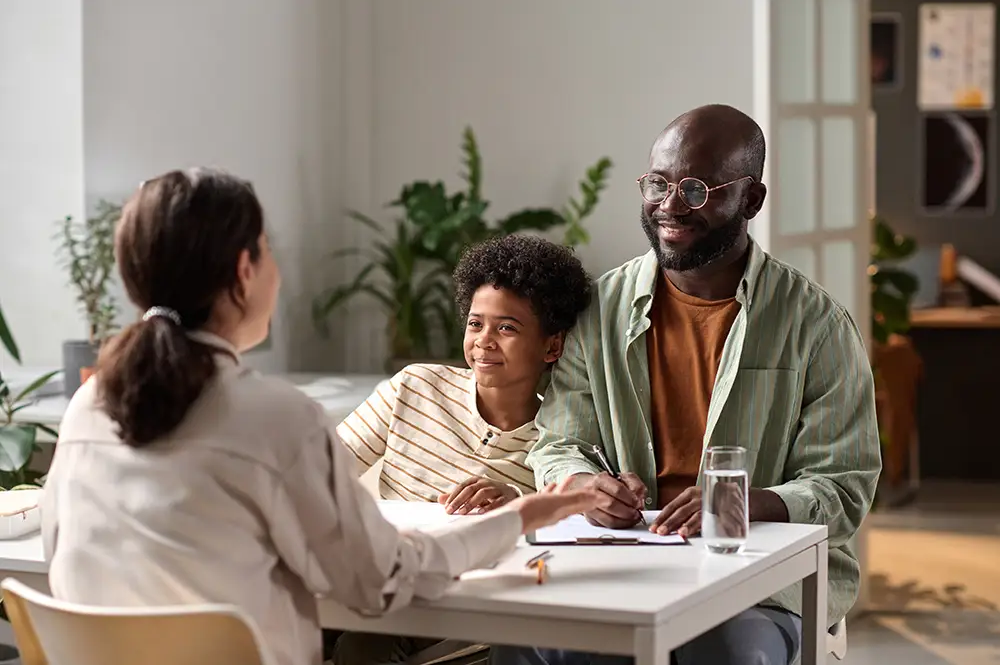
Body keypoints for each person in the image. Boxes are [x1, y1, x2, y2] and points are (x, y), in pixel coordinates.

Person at [39, 168, 599, 665]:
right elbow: (381, 580)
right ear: (243, 273)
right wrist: (521, 518)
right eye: (268, 250)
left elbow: (56, 551)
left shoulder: (90, 404)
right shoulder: (277, 416)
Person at [492, 105, 881, 665]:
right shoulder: (598, 310)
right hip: (621, 560)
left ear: (751, 200)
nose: (670, 205)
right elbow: (558, 442)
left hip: (758, 579)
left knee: (721, 652)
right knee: (527, 641)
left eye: (697, 189)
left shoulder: (816, 325)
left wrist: (737, 503)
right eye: (658, 183)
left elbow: (844, 488)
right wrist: (584, 485)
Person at [332, 234, 593, 664]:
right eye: (476, 323)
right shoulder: (414, 387)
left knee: (364, 644)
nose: (484, 341)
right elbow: (322, 473)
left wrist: (520, 505)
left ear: (553, 345)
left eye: (506, 327)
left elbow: (569, 546)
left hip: (476, 617)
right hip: (386, 586)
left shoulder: (564, 442)